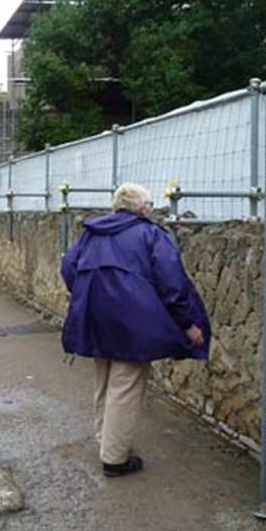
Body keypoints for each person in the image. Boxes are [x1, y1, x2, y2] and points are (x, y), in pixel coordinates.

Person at [60, 182, 210, 478]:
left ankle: (106, 442)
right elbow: (172, 285)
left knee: (104, 380)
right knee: (126, 385)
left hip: (95, 316)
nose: (152, 210)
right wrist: (188, 325)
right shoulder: (150, 234)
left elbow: (68, 268)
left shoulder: (92, 233)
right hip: (133, 321)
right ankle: (114, 459)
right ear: (142, 208)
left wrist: (88, 294)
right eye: (150, 205)